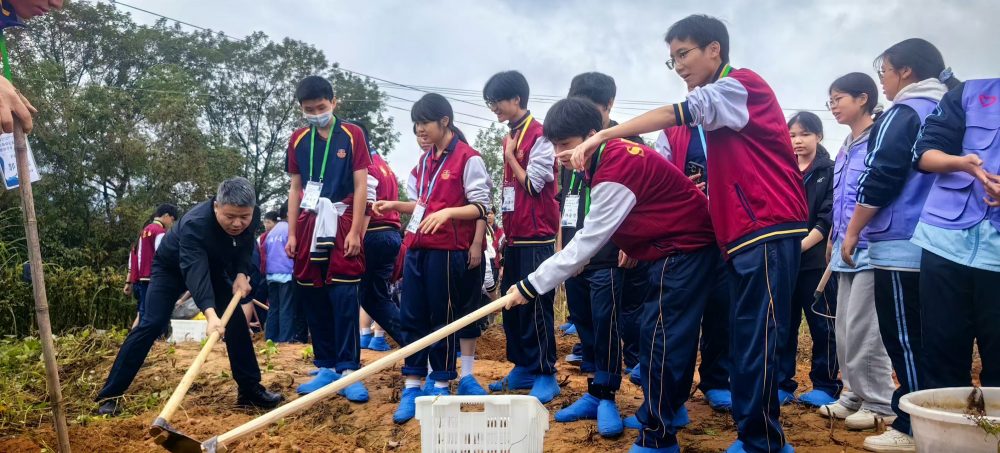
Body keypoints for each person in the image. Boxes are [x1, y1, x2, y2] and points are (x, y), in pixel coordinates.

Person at [566, 15, 807, 453]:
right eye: (672, 57)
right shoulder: (706, 111)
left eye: (684, 54)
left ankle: (764, 442)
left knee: (758, 338)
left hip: (767, 228)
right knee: (742, 336)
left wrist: (606, 132)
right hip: (737, 233)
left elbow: (681, 111)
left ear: (714, 49)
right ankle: (748, 433)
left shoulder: (741, 85)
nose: (678, 66)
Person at [508, 97, 718, 453]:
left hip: (685, 249)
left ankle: (658, 437)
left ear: (592, 135)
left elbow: (590, 239)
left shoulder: (616, 166)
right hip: (668, 251)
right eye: (554, 145)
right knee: (661, 334)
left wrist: (530, 286)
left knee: (661, 338)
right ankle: (668, 410)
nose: (559, 154)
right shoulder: (601, 160)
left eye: (566, 144)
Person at [840, 39, 957, 452]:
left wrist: (853, 230)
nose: (884, 81)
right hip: (942, 241)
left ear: (905, 72)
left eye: (884, 71)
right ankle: (937, 418)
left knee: (904, 337)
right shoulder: (949, 108)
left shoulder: (905, 112)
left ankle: (909, 425)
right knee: (933, 338)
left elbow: (881, 175)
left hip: (901, 241)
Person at [95, 178, 284, 416]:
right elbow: (195, 271)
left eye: (244, 217)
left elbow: (246, 246)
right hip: (171, 269)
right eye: (230, 217)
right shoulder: (196, 224)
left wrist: (241, 273)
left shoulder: (251, 215)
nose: (238, 223)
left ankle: (249, 391)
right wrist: (210, 314)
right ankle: (110, 396)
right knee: (152, 323)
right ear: (216, 206)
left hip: (214, 268)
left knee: (236, 321)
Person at [373, 93, 492, 423]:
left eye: (425, 122)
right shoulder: (424, 162)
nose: (419, 129)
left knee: (444, 318)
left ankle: (440, 382)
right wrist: (396, 206)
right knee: (412, 315)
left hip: (448, 252)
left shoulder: (469, 159)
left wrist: (450, 213)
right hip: (417, 248)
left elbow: (482, 206)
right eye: (416, 124)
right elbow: (423, 205)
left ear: (444, 121)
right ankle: (412, 384)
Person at [553, 72, 644, 437]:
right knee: (584, 321)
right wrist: (563, 245)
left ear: (608, 107)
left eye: (590, 109)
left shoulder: (626, 142)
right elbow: (566, 200)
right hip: (577, 252)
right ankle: (592, 391)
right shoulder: (570, 147)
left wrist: (631, 243)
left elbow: (638, 198)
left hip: (609, 253)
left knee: (608, 324)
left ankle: (607, 396)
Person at [911, 77, 1000, 431]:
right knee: (941, 354)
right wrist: (962, 163)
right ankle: (945, 436)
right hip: (944, 241)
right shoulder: (969, 93)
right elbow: (924, 152)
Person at [284, 76, 371, 403]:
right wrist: (292, 231)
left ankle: (350, 369)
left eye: (321, 107)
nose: (316, 113)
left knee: (343, 292)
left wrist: (354, 231)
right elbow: (295, 187)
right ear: (301, 109)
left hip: (341, 216)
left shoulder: (352, 135)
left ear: (334, 102)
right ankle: (325, 366)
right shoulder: (298, 139)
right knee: (311, 291)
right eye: (309, 109)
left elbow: (361, 184)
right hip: (308, 220)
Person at [818, 73, 896, 434]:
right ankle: (852, 393)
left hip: (870, 245)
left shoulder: (879, 140)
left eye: (838, 98)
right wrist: (834, 237)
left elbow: (879, 192)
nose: (833, 106)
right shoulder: (846, 145)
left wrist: (853, 233)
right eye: (830, 100)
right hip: (844, 248)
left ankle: (880, 402)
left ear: (863, 98)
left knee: (867, 329)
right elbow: (841, 200)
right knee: (845, 328)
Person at [652, 86, 734, 414]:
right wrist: (685, 188)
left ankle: (717, 380)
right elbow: (658, 176)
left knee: (722, 311)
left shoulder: (733, 125)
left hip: (730, 234)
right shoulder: (672, 130)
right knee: (681, 317)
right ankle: (676, 391)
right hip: (688, 237)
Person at [483, 70, 561, 403]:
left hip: (537, 236)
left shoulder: (541, 135)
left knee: (536, 305)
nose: (493, 108)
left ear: (516, 99)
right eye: (490, 103)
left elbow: (534, 185)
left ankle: (545, 372)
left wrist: (511, 157)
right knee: (510, 304)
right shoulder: (512, 134)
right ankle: (522, 366)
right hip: (514, 237)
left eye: (497, 101)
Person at [778, 112, 841, 407]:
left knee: (822, 323)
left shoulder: (830, 170)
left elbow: (828, 216)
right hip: (783, 261)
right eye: (791, 135)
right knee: (783, 324)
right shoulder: (781, 169)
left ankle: (826, 384)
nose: (797, 141)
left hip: (815, 260)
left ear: (818, 136)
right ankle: (782, 382)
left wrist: (800, 245)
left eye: (804, 134)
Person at [356, 122, 403, 353]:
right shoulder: (383, 164)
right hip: (390, 234)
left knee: (368, 297)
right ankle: (415, 345)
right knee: (376, 297)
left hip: (372, 232)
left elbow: (367, 200)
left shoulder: (364, 165)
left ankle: (415, 345)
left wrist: (356, 236)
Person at [130, 204, 180, 335]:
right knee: (157, 309)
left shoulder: (145, 230)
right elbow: (163, 254)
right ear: (166, 216)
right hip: (155, 277)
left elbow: (138, 255)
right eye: (172, 219)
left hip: (143, 276)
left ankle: (136, 336)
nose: (172, 223)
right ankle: (157, 337)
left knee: (143, 310)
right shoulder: (160, 232)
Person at [263, 204, 305, 343]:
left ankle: (270, 337)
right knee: (286, 308)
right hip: (286, 273)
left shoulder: (273, 231)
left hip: (271, 275)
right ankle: (285, 340)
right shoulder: (290, 230)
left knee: (274, 308)